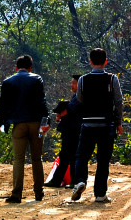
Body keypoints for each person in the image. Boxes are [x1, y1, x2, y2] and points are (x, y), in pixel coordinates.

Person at [70, 48, 123, 203]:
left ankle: (80, 180)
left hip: (87, 123)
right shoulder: (112, 79)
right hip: (106, 124)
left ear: (91, 62)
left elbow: (79, 99)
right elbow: (118, 102)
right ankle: (100, 194)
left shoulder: (83, 80)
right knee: (103, 159)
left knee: (82, 155)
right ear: (105, 61)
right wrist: (118, 122)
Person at [0, 55, 50, 203]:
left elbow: (2, 105)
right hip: (36, 124)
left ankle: (16, 194)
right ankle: (39, 192)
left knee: (18, 159)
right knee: (36, 158)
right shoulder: (37, 79)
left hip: (18, 125)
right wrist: (46, 122)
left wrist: (1, 123)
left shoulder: (8, 82)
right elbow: (42, 102)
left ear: (16, 68)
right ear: (30, 68)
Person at [44, 75, 82, 188]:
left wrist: (62, 112)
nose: (71, 85)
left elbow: (70, 110)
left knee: (72, 156)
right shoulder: (76, 96)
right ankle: (57, 180)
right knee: (65, 156)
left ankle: (73, 181)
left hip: (75, 131)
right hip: (70, 130)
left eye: (73, 83)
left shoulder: (80, 97)